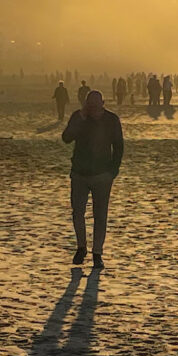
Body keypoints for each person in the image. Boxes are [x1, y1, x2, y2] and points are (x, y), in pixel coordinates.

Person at [62, 90, 124, 268]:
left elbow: (118, 146)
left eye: (96, 104)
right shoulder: (79, 117)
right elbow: (66, 138)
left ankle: (97, 252)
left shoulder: (111, 120)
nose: (94, 108)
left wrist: (113, 170)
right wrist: (80, 117)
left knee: (100, 215)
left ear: (103, 103)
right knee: (78, 212)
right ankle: (81, 247)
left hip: (102, 175)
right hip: (79, 174)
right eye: (90, 104)